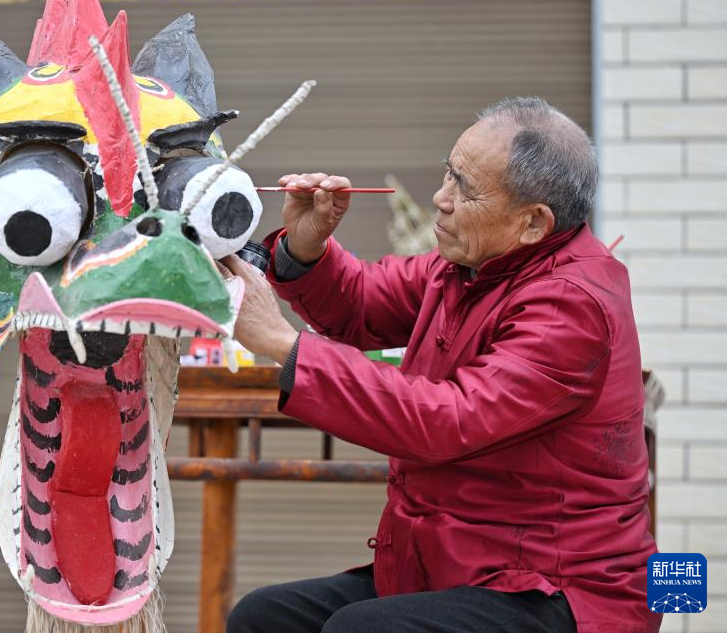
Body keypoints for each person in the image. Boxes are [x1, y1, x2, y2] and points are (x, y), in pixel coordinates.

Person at [221, 97, 660, 633]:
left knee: (360, 630)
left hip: (560, 587)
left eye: (465, 189)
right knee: (264, 618)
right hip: (454, 562)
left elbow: (448, 421)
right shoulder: (473, 263)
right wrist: (306, 249)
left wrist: (283, 344)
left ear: (532, 222)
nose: (440, 198)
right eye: (448, 174)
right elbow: (365, 300)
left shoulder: (571, 302)